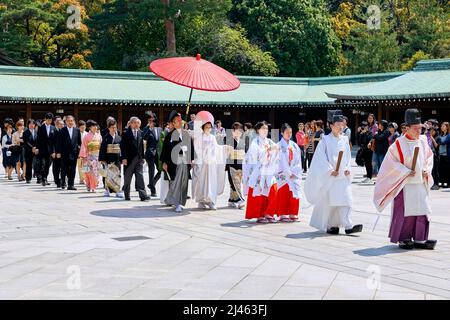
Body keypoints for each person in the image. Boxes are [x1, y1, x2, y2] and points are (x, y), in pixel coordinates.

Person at [374, 108, 436, 250]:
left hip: (420, 182)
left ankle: (420, 238)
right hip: (405, 184)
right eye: (415, 128)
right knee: (405, 212)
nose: (419, 131)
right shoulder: (398, 144)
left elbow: (429, 157)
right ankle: (404, 238)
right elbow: (390, 164)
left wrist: (427, 169)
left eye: (420, 128)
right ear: (406, 128)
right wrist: (405, 171)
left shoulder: (422, 141)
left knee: (422, 210)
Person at [304, 112, 363, 235]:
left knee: (346, 200)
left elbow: (347, 156)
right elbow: (319, 158)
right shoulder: (325, 140)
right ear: (331, 125)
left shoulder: (345, 140)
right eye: (337, 125)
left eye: (342, 125)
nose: (340, 127)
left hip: (342, 175)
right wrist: (330, 170)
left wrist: (348, 168)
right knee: (332, 203)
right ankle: (332, 225)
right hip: (331, 175)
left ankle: (348, 225)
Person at [191, 111, 230, 210]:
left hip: (211, 163)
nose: (208, 129)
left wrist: (224, 148)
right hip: (203, 162)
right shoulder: (199, 137)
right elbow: (197, 149)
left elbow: (216, 148)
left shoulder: (213, 137)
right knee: (202, 182)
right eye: (206, 127)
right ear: (203, 128)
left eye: (209, 127)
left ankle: (211, 201)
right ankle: (201, 201)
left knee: (211, 182)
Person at [243, 121, 279, 224]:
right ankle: (259, 214)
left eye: (266, 129)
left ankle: (269, 213)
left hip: (268, 170)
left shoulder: (269, 141)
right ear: (258, 130)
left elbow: (276, 149)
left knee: (273, 190)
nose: (265, 130)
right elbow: (254, 158)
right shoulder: (255, 142)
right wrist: (268, 151)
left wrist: (275, 150)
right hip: (259, 171)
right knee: (260, 194)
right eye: (263, 128)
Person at [160, 111, 194, 212]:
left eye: (180, 120)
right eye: (176, 121)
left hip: (184, 161)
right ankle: (176, 202)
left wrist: (192, 159)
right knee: (175, 181)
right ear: (173, 124)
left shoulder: (186, 134)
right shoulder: (169, 135)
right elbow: (165, 150)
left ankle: (181, 202)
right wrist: (165, 162)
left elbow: (191, 147)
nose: (179, 122)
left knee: (184, 182)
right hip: (174, 162)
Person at [276, 123, 302, 222]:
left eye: (290, 132)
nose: (289, 134)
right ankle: (283, 213)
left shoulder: (294, 146)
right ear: (282, 133)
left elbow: (299, 160)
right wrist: (287, 172)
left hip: (293, 172)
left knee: (294, 193)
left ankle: (293, 213)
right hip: (283, 173)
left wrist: (294, 171)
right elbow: (279, 161)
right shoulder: (278, 146)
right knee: (284, 193)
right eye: (287, 132)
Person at [120, 117, 150, 201]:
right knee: (127, 177)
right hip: (129, 159)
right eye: (135, 123)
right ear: (131, 123)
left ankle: (143, 195)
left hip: (139, 159)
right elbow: (123, 147)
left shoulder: (141, 133)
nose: (137, 125)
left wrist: (143, 157)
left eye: (138, 123)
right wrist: (124, 158)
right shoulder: (126, 133)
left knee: (140, 177)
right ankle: (127, 195)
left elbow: (141, 146)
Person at [99, 119, 124, 198]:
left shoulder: (119, 138)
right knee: (107, 175)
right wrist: (102, 159)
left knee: (117, 175)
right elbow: (102, 149)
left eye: (115, 127)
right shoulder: (106, 138)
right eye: (112, 127)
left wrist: (122, 158)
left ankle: (117, 190)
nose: (114, 129)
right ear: (109, 128)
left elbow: (122, 149)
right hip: (108, 158)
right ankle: (107, 190)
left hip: (117, 158)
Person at [57, 115, 81, 190]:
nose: (70, 122)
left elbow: (79, 143)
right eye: (68, 121)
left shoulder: (77, 130)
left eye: (72, 121)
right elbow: (59, 143)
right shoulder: (62, 130)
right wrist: (58, 152)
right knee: (64, 169)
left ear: (73, 121)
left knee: (73, 170)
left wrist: (80, 153)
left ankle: (71, 184)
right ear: (66, 122)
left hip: (74, 153)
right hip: (64, 153)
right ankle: (63, 183)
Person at [225, 122, 246, 209]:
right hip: (232, 164)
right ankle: (241, 200)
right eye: (236, 131)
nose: (238, 133)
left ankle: (231, 200)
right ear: (232, 132)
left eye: (240, 131)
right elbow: (228, 152)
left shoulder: (242, 141)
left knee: (236, 183)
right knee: (235, 182)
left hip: (240, 164)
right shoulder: (229, 140)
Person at [143, 112, 162, 197]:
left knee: (161, 170)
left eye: (152, 120)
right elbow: (144, 137)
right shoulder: (146, 129)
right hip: (150, 153)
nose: (151, 122)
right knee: (151, 171)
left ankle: (152, 183)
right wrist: (149, 129)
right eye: (150, 120)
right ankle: (153, 191)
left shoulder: (160, 129)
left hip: (158, 153)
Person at [79, 120, 102, 193]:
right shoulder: (86, 136)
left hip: (97, 156)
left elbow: (101, 146)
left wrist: (102, 156)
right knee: (88, 172)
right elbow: (84, 147)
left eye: (96, 126)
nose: (95, 127)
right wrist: (83, 157)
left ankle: (93, 186)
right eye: (93, 126)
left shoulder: (99, 136)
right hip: (88, 156)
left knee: (96, 172)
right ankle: (89, 185)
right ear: (89, 128)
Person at [35, 113, 56, 186]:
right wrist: (37, 148)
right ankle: (40, 178)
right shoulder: (41, 127)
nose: (49, 121)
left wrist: (53, 151)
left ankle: (45, 178)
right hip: (42, 148)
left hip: (50, 150)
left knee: (47, 165)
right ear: (45, 119)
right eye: (48, 120)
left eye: (50, 120)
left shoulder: (53, 128)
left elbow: (54, 141)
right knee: (42, 164)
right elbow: (38, 139)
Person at [157, 121, 173, 204]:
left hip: (174, 160)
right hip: (166, 160)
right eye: (170, 123)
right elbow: (161, 148)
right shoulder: (164, 133)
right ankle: (165, 198)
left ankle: (172, 198)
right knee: (166, 181)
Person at [23, 119, 37, 183]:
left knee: (37, 164)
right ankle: (28, 178)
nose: (32, 125)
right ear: (28, 125)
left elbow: (39, 141)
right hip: (28, 151)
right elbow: (26, 142)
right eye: (30, 124)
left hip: (36, 150)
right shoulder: (25, 132)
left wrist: (36, 148)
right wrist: (32, 148)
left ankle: (38, 177)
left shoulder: (37, 132)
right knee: (29, 165)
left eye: (33, 124)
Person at [51, 119, 64, 188]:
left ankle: (62, 180)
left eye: (63, 124)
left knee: (63, 167)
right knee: (56, 168)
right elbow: (51, 144)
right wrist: (53, 152)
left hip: (63, 153)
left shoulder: (64, 131)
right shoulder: (53, 132)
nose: (62, 125)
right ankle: (57, 180)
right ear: (57, 124)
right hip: (55, 153)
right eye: (61, 124)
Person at [437, 122, 449, 188]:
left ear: (447, 127)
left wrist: (439, 139)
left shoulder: (448, 135)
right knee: (441, 170)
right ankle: (442, 182)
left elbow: (443, 142)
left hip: (446, 155)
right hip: (440, 154)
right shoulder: (441, 136)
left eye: (443, 126)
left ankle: (447, 183)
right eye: (441, 126)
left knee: (446, 170)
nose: (441, 127)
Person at [77, 120, 87, 184]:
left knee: (85, 166)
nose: (83, 128)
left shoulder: (87, 134)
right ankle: (81, 179)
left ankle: (85, 178)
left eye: (84, 127)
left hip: (86, 152)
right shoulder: (77, 133)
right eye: (81, 127)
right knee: (80, 166)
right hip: (78, 151)